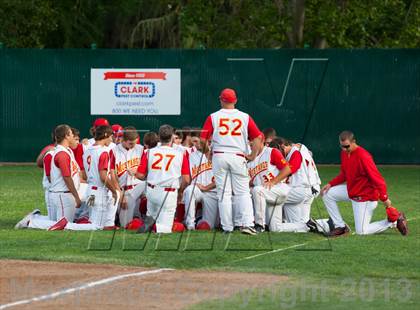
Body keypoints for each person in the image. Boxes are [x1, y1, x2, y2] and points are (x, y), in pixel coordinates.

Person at [319, 131, 408, 236]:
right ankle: (340, 227)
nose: (344, 149)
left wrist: (384, 198)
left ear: (354, 142)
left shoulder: (364, 156)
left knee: (361, 231)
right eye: (342, 146)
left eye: (347, 146)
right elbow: (344, 174)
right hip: (352, 191)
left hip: (365, 197)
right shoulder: (344, 153)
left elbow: (378, 179)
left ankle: (393, 221)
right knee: (327, 193)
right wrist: (330, 184)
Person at [200, 88, 262, 235]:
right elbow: (258, 137)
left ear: (221, 100)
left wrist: (208, 152)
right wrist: (253, 155)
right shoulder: (245, 116)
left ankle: (227, 227)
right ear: (235, 100)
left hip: (220, 155)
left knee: (223, 193)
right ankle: (247, 224)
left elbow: (203, 139)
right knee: (242, 192)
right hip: (237, 155)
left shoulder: (213, 117)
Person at [135, 125, 190, 233]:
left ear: (159, 137)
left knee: (152, 216)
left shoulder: (149, 152)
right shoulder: (180, 154)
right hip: (168, 193)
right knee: (165, 229)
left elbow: (140, 175)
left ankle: (149, 226)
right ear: (172, 138)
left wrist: (144, 174)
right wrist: (181, 191)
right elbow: (186, 179)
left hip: (152, 190)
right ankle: (153, 228)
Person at [273, 137, 321, 224]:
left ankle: (272, 222)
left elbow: (291, 169)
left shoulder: (296, 152)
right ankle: (327, 224)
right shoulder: (298, 150)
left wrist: (274, 181)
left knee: (274, 196)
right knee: (302, 224)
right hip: (309, 188)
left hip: (304, 188)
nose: (278, 155)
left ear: (283, 146)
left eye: (278, 151)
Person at [248, 136, 291, 232]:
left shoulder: (271, 152)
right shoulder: (250, 161)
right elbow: (251, 182)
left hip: (278, 189)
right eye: (250, 143)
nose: (251, 145)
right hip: (267, 194)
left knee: (257, 190)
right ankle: (306, 225)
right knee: (275, 228)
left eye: (253, 143)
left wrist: (273, 181)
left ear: (262, 141)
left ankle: (259, 225)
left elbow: (288, 169)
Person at [110, 126, 145, 228]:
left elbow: (147, 173)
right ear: (123, 140)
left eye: (135, 142)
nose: (133, 145)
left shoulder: (141, 149)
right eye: (130, 143)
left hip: (138, 187)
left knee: (150, 186)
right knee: (127, 225)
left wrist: (137, 172)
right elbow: (113, 176)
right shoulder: (114, 151)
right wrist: (120, 195)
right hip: (124, 191)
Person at [183, 138, 218, 230]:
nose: (197, 144)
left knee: (209, 226)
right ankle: (190, 224)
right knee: (189, 190)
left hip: (212, 192)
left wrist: (206, 188)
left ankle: (198, 219)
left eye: (199, 141)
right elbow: (188, 178)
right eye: (194, 141)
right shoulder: (191, 156)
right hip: (197, 189)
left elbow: (222, 179)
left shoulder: (217, 155)